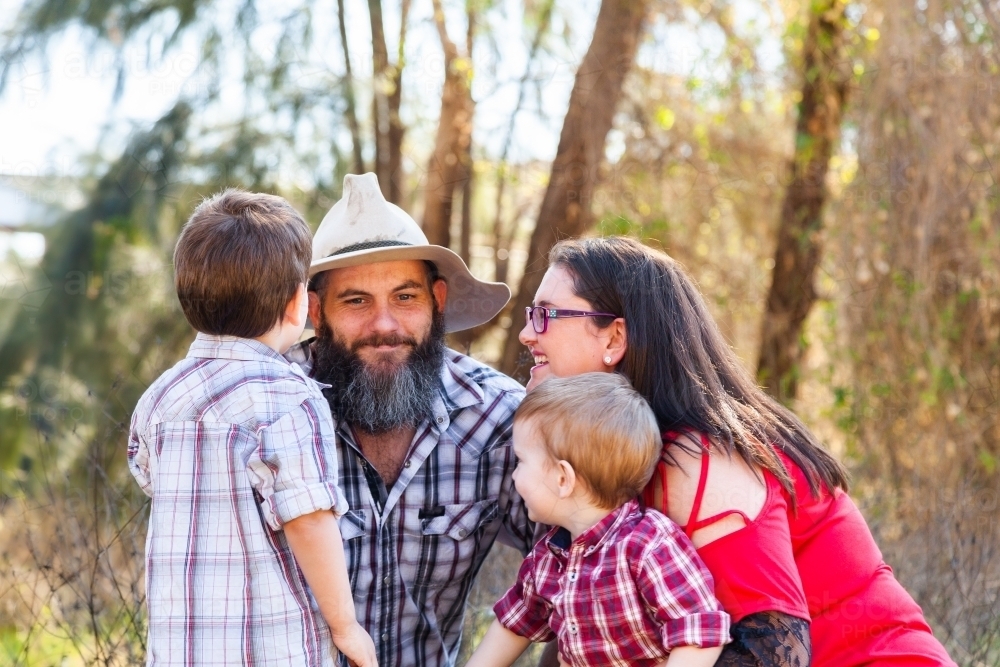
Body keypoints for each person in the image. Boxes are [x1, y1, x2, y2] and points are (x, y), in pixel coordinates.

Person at [520, 236, 956, 667]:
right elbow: (581, 623)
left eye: (544, 316)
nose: (525, 334)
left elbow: (775, 654)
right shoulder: (613, 453)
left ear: (615, 338)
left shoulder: (693, 460)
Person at [284, 173, 534, 667]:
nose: (384, 325)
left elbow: (581, 566)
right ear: (317, 312)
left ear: (437, 302)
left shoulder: (499, 419)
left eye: (405, 297)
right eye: (356, 301)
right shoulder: (274, 412)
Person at [127, 190, 377, 666]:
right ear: (296, 302)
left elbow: (146, 476)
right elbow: (307, 519)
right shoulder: (289, 396)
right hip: (272, 647)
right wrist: (346, 626)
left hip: (181, 649)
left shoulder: (159, 396)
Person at [465, 373, 731, 667]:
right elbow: (514, 623)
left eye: (521, 461)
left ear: (562, 478)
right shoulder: (548, 559)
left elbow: (698, 631)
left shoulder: (647, 544)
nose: (514, 475)